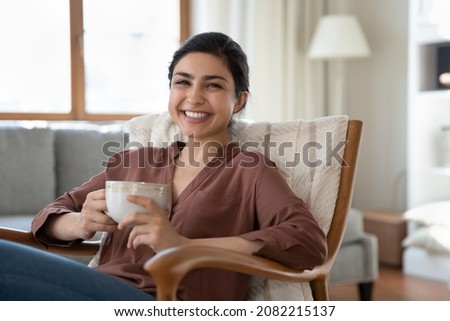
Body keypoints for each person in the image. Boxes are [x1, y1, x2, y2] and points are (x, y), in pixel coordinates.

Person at [0, 31, 326, 301]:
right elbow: (48, 218)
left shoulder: (249, 169)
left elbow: (306, 241)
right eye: (182, 82)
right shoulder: (135, 161)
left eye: (213, 85)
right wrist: (80, 223)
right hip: (101, 290)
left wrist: (183, 246)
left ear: (239, 100)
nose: (194, 98)